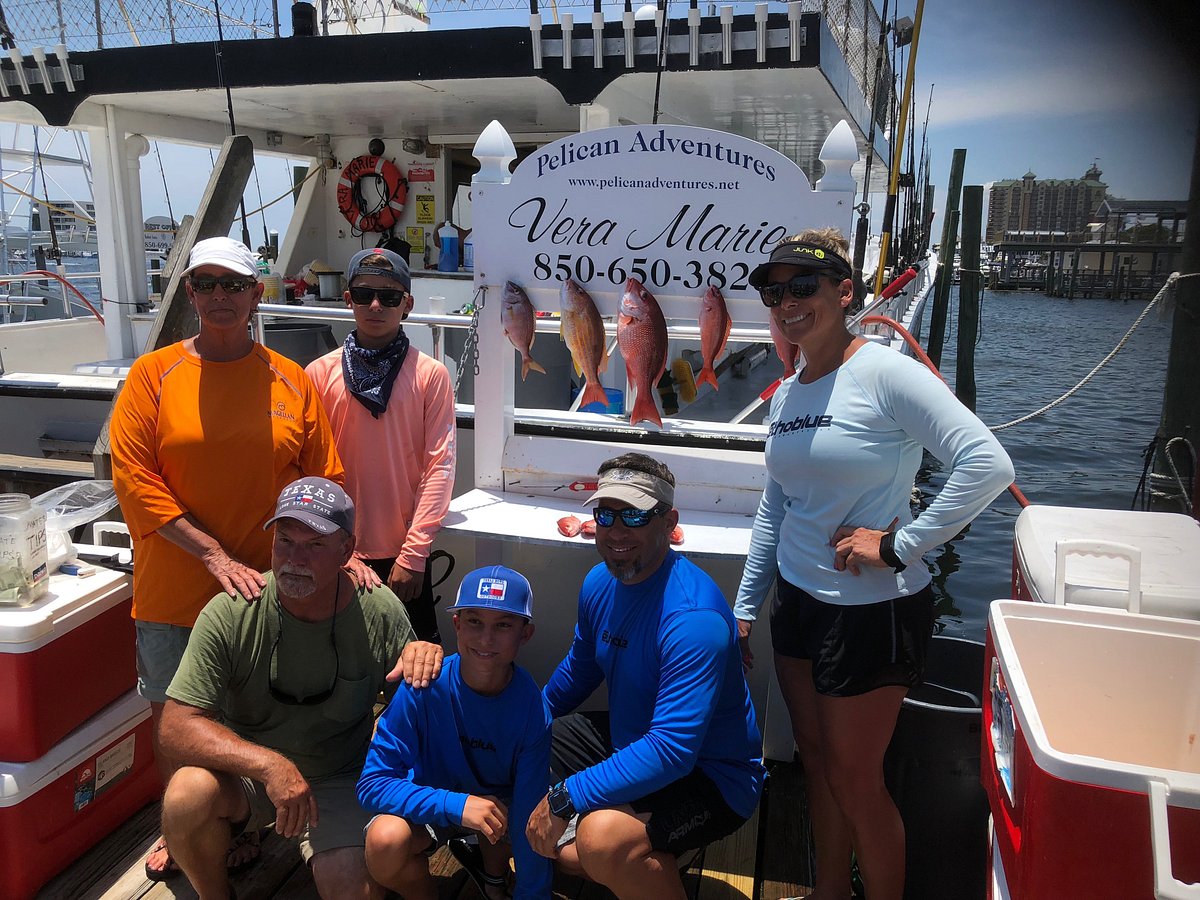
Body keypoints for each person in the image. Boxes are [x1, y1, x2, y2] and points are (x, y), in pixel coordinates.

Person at [735, 228, 1015, 900]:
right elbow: (777, 506)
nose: (787, 301)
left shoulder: (885, 371)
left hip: (869, 611)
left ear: (843, 290)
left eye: (804, 285)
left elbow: (988, 465)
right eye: (775, 290)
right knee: (819, 765)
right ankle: (830, 892)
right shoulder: (790, 390)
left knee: (859, 784)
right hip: (798, 604)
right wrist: (748, 604)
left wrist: (897, 544)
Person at [109, 235, 344, 881]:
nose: (219, 295)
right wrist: (211, 553)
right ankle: (181, 828)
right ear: (189, 294)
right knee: (176, 723)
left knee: (253, 717)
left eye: (233, 284)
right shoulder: (152, 374)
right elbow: (132, 477)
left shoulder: (291, 380)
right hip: (175, 590)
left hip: (272, 593)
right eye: (206, 283)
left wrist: (331, 561)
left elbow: (325, 479)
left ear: (255, 294)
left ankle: (239, 822)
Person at [158, 476, 444, 900]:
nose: (294, 558)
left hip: (340, 778)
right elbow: (175, 727)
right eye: (285, 541)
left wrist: (430, 662)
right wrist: (269, 766)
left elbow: (423, 715)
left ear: (347, 551)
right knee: (185, 795)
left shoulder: (379, 610)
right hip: (251, 777)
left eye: (314, 546)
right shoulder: (232, 611)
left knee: (351, 890)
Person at [526, 453, 765, 900]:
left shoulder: (694, 620)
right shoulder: (599, 583)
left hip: (711, 776)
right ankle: (640, 842)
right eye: (606, 514)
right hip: (630, 739)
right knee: (521, 742)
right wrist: (517, 720)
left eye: (634, 515)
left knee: (595, 844)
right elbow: (577, 673)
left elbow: (673, 751)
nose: (616, 530)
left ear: (668, 521)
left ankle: (648, 850)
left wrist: (565, 797)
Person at [357, 565, 553, 900]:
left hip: (497, 815)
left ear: (525, 633)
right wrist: (455, 804)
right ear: (457, 624)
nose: (486, 638)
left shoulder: (534, 709)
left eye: (503, 624)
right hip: (432, 805)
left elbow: (528, 808)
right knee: (384, 841)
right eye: (474, 621)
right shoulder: (422, 684)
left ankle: (493, 876)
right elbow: (372, 785)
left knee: (537, 831)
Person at [306, 247, 456, 642]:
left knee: (415, 672)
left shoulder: (431, 375)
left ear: (407, 304)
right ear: (347, 299)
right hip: (334, 550)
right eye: (363, 294)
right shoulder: (317, 375)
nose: (375, 305)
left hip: (404, 557)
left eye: (389, 297)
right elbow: (310, 470)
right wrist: (337, 547)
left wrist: (415, 552)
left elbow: (440, 465)